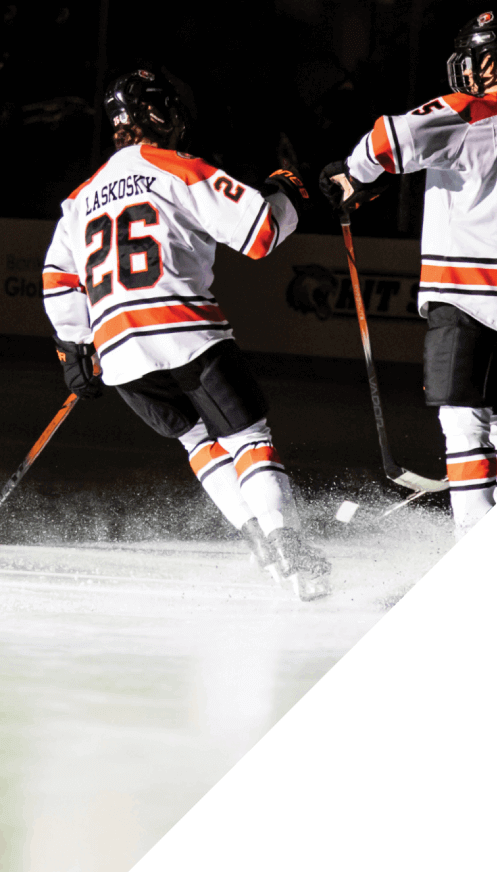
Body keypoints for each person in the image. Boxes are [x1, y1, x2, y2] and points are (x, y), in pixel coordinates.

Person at [41, 68, 331, 600]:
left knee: (197, 439)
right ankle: (289, 543)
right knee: (247, 438)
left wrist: (73, 345)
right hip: (185, 331)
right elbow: (261, 232)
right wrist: (291, 191)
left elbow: (58, 277)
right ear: (160, 115)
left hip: (120, 350)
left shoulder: (80, 196)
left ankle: (263, 550)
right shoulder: (175, 167)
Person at [319, 10, 497, 540]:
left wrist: (353, 175)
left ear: (488, 60)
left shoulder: (472, 110)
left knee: (463, 420)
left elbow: (385, 142)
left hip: (466, 294)